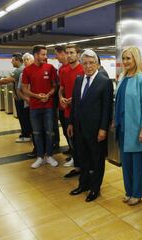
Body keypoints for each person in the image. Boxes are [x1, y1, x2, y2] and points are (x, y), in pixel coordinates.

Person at [68, 49, 113, 202]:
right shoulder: (79, 80)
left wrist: (103, 129)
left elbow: (107, 108)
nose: (88, 66)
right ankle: (83, 184)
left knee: (97, 160)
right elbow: (75, 104)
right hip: (80, 128)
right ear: (81, 64)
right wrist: (71, 123)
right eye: (85, 63)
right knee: (83, 158)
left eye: (91, 63)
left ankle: (95, 188)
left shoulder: (104, 82)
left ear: (97, 64)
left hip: (96, 130)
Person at [114, 46, 142, 206]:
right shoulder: (122, 77)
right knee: (126, 162)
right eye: (124, 58)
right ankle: (128, 191)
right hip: (122, 127)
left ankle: (137, 193)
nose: (126, 61)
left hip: (136, 128)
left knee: (137, 163)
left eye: (129, 58)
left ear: (136, 59)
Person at [22, 45, 58, 169]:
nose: (45, 57)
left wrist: (48, 95)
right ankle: (40, 156)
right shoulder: (27, 70)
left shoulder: (50, 68)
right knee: (37, 133)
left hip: (48, 106)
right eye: (43, 54)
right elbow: (24, 89)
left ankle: (49, 155)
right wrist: (36, 96)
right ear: (36, 55)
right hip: (34, 107)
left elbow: (55, 86)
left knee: (49, 132)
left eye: (46, 54)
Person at [0, 53, 31, 143]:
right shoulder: (21, 69)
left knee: (23, 117)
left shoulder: (19, 70)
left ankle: (26, 135)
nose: (11, 62)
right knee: (23, 117)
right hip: (21, 97)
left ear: (17, 60)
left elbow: (6, 80)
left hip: (21, 98)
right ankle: (25, 133)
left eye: (12, 60)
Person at [59, 44, 84, 177]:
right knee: (71, 140)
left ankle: (84, 167)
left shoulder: (83, 70)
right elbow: (61, 88)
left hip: (80, 113)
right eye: (67, 53)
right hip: (68, 111)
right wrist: (61, 98)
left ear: (78, 55)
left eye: (72, 53)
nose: (69, 55)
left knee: (81, 142)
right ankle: (78, 166)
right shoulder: (63, 70)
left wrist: (74, 99)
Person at [17, 53, 36, 157]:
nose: (25, 61)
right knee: (33, 129)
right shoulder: (22, 74)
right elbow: (19, 90)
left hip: (39, 105)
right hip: (28, 105)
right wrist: (26, 99)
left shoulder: (38, 71)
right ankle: (36, 148)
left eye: (27, 59)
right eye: (24, 60)